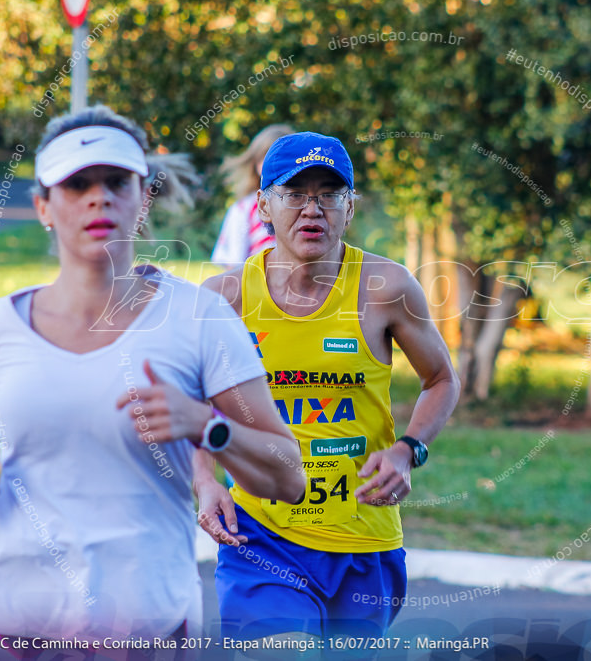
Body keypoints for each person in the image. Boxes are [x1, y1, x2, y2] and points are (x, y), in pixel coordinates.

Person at [0, 105, 305, 651]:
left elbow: (287, 476)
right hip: (7, 622)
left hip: (144, 628)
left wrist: (207, 424)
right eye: (76, 184)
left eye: (115, 181)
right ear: (43, 206)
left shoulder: (199, 318)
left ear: (142, 196)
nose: (98, 197)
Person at [194, 132, 460, 646]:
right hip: (261, 536)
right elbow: (190, 401)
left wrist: (409, 450)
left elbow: (441, 379)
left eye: (329, 194)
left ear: (350, 207)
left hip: (364, 540)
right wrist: (205, 482)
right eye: (294, 193)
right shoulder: (224, 296)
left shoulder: (387, 287)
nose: (312, 208)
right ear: (264, 207)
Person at [210, 124, 293, 267]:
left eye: (284, 161)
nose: (274, 167)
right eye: (265, 159)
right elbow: (233, 265)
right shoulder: (243, 209)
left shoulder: (306, 207)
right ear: (254, 163)